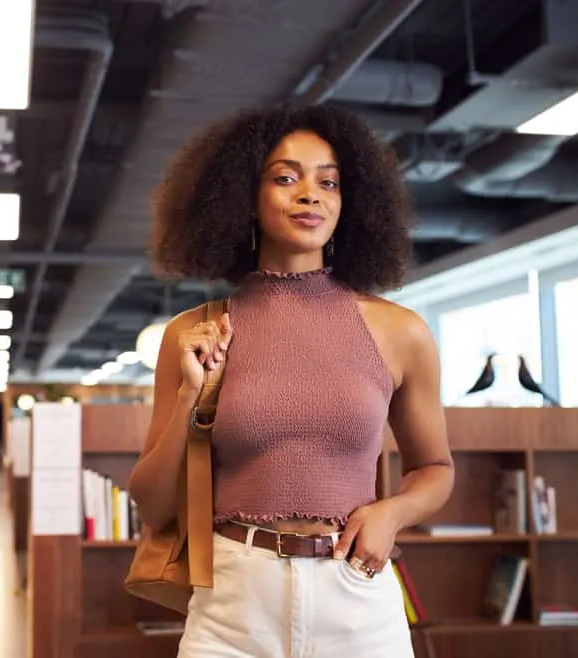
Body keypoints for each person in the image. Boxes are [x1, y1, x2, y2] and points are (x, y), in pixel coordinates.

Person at [127, 103, 454, 657]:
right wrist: (189, 394)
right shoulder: (197, 331)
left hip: (355, 596)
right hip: (233, 605)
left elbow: (436, 470)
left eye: (329, 182)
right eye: (285, 177)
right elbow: (152, 501)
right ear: (242, 199)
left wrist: (391, 512)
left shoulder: (402, 332)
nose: (311, 194)